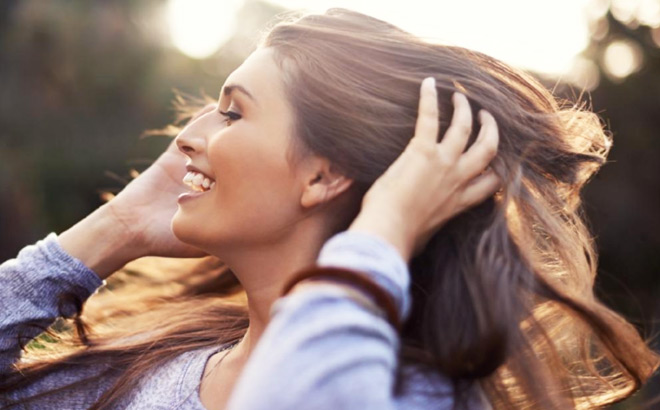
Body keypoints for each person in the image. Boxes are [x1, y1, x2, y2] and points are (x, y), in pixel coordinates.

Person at [0, 8, 657, 410]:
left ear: (325, 176)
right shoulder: (156, 370)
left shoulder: (410, 393)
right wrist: (110, 232)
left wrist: (381, 232)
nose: (187, 135)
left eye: (234, 112)